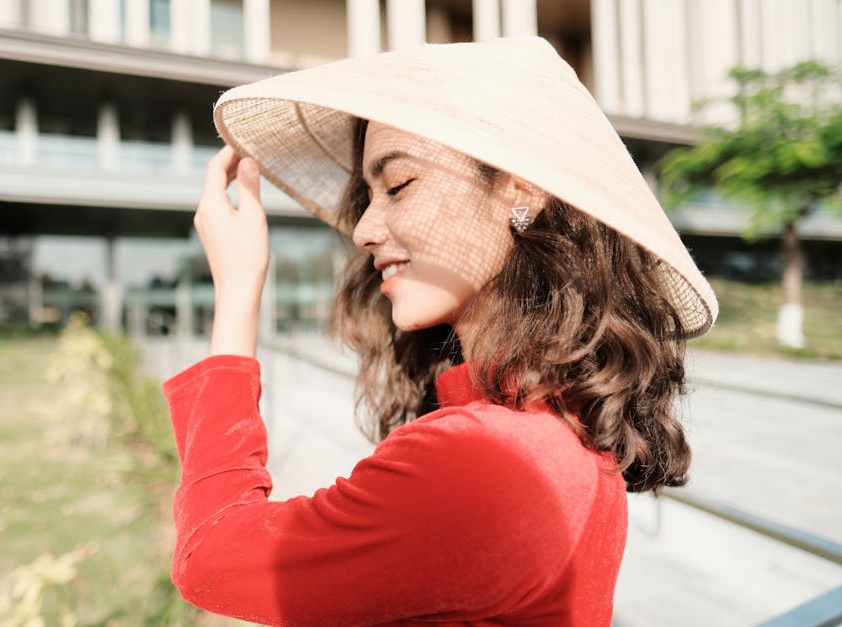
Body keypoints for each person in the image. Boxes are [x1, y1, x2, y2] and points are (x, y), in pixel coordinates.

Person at [163, 37, 718, 626]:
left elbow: (212, 556)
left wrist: (237, 291)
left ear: (520, 188)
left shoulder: (489, 458)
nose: (365, 230)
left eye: (399, 185)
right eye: (367, 198)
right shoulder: (559, 428)